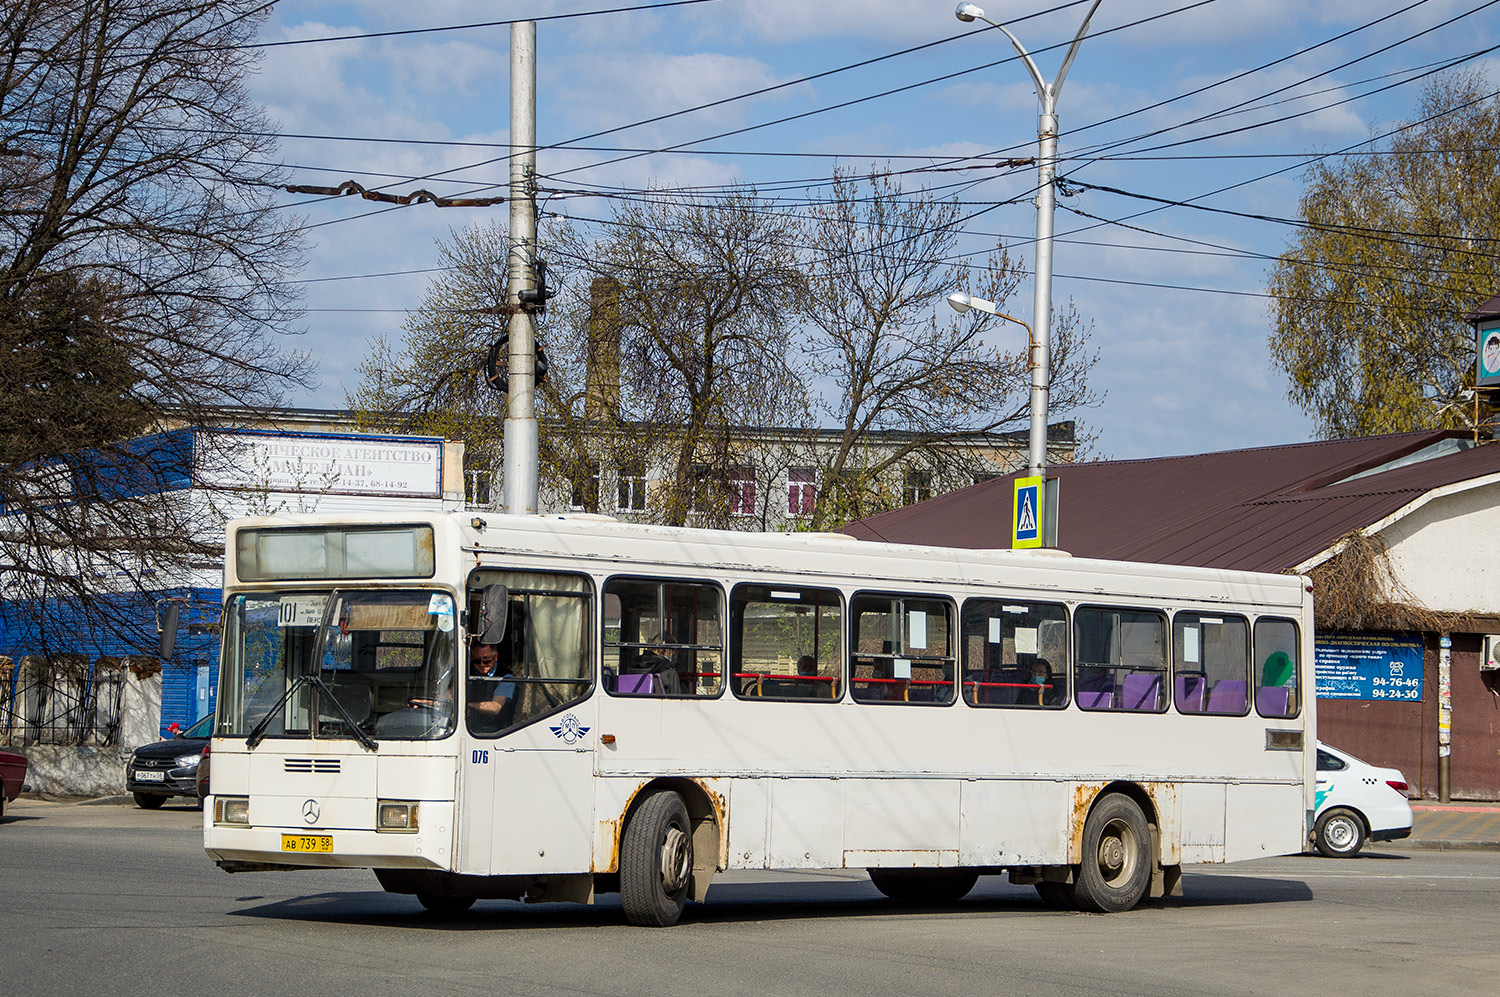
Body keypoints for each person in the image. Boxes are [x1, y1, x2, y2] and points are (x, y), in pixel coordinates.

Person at [467, 642, 516, 729]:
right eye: (477, 660)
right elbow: (451, 694)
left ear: (495, 657)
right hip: (468, 726)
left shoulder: (506, 676)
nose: (482, 664)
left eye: (486, 660)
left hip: (497, 730)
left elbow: (495, 707)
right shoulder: (465, 671)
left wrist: (466, 705)